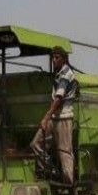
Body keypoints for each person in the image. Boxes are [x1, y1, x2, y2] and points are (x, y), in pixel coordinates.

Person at [31, 46, 78, 184]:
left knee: (64, 151)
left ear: (63, 59)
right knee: (36, 144)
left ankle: (69, 183)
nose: (53, 60)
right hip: (55, 117)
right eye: (53, 57)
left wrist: (46, 117)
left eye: (57, 57)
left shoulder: (67, 74)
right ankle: (53, 172)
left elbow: (59, 98)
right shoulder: (58, 74)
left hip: (63, 117)